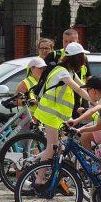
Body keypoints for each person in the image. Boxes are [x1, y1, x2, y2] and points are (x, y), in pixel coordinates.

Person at [31, 42, 93, 187]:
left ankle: (58, 180)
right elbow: (78, 90)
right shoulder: (62, 72)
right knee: (52, 146)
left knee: (61, 146)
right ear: (77, 58)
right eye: (83, 57)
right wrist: (95, 104)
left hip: (60, 115)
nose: (84, 60)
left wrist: (99, 93)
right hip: (50, 113)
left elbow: (84, 86)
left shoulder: (69, 71)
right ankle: (39, 180)